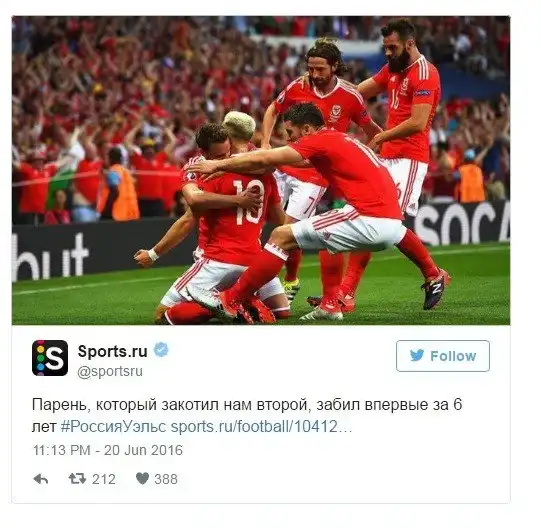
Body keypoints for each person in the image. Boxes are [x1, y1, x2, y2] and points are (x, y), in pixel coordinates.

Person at [185, 103, 450, 321]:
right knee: (328, 237)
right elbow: (286, 164)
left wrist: (216, 165)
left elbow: (266, 158)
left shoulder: (319, 140)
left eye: (291, 132)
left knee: (280, 236)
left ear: (307, 129)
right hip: (393, 224)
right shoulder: (339, 139)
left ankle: (230, 300)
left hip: (368, 218)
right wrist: (232, 166)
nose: (289, 139)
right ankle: (332, 304)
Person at [308, 18, 442, 315]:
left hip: (409, 158)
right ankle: (346, 294)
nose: (388, 53)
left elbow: (418, 122)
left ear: (409, 43)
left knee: (385, 222)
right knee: (369, 217)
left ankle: (432, 274)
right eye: (385, 48)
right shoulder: (393, 69)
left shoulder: (425, 73)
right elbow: (359, 92)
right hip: (387, 156)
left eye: (392, 47)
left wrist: (381, 136)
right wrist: (329, 95)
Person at [262, 37, 383, 314]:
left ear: (335, 66)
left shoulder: (350, 96)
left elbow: (374, 132)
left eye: (320, 69)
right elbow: (272, 109)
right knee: (264, 225)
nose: (314, 75)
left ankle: (282, 285)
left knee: (287, 231)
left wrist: (362, 160)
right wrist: (266, 143)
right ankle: (284, 282)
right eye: (311, 69)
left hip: (313, 177)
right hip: (284, 166)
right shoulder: (298, 86)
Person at [135, 116, 290, 325]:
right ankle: (244, 300)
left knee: (162, 316)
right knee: (281, 310)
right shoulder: (264, 168)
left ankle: (227, 303)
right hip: (255, 260)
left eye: (226, 155)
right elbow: (279, 216)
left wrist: (153, 254)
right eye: (219, 157)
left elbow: (190, 213)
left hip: (217, 258)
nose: (223, 160)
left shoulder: (204, 171)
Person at [12, 149, 75, 226]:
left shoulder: (48, 169)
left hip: (41, 210)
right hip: (27, 210)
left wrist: (71, 156)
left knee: (40, 230)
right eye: (36, 160)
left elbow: (60, 163)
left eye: (41, 160)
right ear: (32, 161)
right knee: (28, 230)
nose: (39, 162)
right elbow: (16, 165)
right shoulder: (28, 169)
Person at [97, 147, 140, 222]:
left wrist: (106, 210)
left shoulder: (113, 172)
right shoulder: (126, 172)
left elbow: (114, 191)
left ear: (110, 158)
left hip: (114, 215)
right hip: (128, 215)